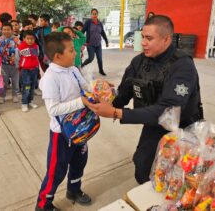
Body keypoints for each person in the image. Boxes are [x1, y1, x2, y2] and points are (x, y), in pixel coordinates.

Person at [86, 15, 203, 184]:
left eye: (149, 38)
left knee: (181, 176)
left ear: (166, 39)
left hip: (183, 127)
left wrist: (117, 113)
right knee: (143, 168)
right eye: (142, 37)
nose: (143, 43)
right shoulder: (139, 61)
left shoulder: (182, 66)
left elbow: (168, 111)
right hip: (154, 124)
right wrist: (104, 95)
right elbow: (123, 94)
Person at [35, 32, 92, 211]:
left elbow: (85, 86)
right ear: (58, 56)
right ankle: (43, 205)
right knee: (56, 171)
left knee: (79, 162)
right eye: (71, 50)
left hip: (80, 128)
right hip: (61, 135)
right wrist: (81, 102)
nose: (75, 52)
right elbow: (53, 109)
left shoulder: (73, 69)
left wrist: (96, 88)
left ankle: (73, 190)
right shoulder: (50, 78)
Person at [0, 22, 20, 103]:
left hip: (15, 65)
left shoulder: (16, 39)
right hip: (4, 65)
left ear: (12, 30)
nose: (6, 31)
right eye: (4, 29)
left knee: (15, 82)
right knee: (4, 82)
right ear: (2, 30)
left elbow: (21, 51)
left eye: (8, 29)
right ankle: (2, 96)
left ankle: (15, 95)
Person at [81, 8, 109, 76]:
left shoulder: (99, 23)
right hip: (90, 44)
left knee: (100, 58)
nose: (94, 15)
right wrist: (82, 41)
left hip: (98, 44)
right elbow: (82, 31)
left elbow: (102, 32)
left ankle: (101, 70)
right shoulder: (88, 22)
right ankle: (82, 65)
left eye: (95, 14)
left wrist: (106, 41)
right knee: (91, 58)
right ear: (91, 15)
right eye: (93, 14)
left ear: (97, 14)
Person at [18, 30, 39, 112]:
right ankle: (24, 103)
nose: (30, 40)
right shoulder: (21, 46)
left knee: (32, 86)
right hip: (25, 70)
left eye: (32, 39)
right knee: (26, 87)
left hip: (34, 69)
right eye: (28, 38)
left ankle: (30, 101)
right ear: (24, 39)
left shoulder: (36, 46)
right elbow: (28, 53)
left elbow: (35, 54)